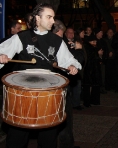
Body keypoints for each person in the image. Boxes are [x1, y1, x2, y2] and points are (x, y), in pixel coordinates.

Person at [0, 3, 81, 148]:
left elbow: (70, 60)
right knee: (17, 137)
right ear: (37, 18)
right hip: (24, 89)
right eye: (49, 17)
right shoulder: (22, 37)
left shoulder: (57, 41)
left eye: (53, 17)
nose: (53, 21)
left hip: (49, 91)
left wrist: (72, 66)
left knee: (48, 139)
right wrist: (1, 56)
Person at [52, 20, 80, 148]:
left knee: (66, 119)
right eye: (62, 33)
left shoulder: (61, 43)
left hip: (64, 86)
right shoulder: (52, 42)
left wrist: (72, 65)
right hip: (54, 87)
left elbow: (73, 60)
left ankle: (67, 144)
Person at [63, 27, 84, 110]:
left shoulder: (76, 42)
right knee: (67, 89)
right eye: (69, 32)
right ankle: (67, 105)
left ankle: (76, 104)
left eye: (72, 33)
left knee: (77, 88)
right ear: (65, 33)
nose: (71, 34)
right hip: (67, 69)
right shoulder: (63, 43)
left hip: (76, 69)